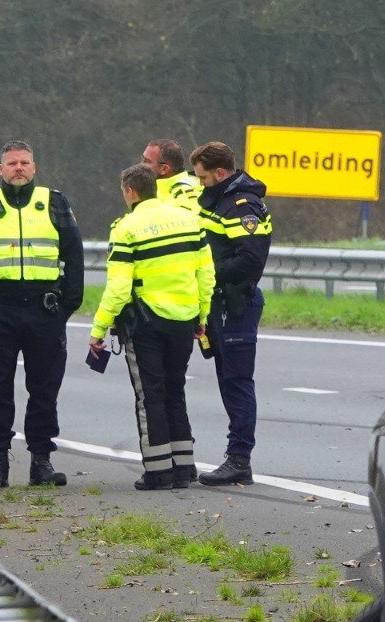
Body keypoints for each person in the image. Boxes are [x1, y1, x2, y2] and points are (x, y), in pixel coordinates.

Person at [0, 140, 84, 488]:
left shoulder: (54, 202)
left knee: (44, 389)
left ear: (34, 168)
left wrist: (67, 306)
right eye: (12, 163)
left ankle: (41, 461)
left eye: (24, 163)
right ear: (1, 169)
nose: (18, 168)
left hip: (45, 309)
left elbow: (74, 255)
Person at [89, 163, 214, 490]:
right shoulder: (190, 221)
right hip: (185, 319)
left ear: (130, 191)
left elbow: (118, 289)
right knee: (176, 390)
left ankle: (158, 472)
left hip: (146, 323)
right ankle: (184, 468)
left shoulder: (126, 228)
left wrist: (99, 329)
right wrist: (202, 315)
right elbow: (206, 274)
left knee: (151, 397)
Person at [189, 140, 272, 486]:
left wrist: (209, 274)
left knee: (237, 383)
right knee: (228, 381)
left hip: (236, 305)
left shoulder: (242, 206)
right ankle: (236, 456)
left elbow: (251, 259)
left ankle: (239, 459)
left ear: (220, 173)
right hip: (218, 304)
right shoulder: (218, 200)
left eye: (203, 177)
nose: (200, 183)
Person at [144, 139, 201, 208]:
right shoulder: (156, 191)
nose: (141, 165)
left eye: (147, 162)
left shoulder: (185, 195)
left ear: (164, 169)